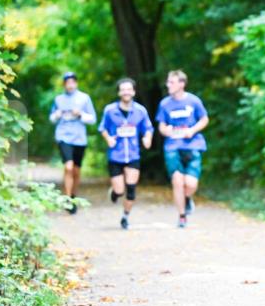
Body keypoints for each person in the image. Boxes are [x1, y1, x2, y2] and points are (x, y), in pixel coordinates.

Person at [155, 70, 208, 228]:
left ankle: (187, 198)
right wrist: (167, 131)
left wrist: (192, 130)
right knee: (177, 181)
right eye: (168, 82)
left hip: (193, 145)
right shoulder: (164, 104)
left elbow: (204, 119)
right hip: (172, 146)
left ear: (181, 84)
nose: (168, 85)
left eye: (171, 82)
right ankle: (182, 215)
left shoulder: (194, 101)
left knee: (190, 184)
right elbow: (161, 126)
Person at [99, 78, 154, 230]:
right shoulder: (110, 110)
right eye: (123, 89)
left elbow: (148, 128)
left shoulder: (140, 111)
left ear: (134, 92)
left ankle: (125, 216)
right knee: (120, 190)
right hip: (116, 155)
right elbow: (102, 128)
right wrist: (108, 138)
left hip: (133, 155)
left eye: (129, 89)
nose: (126, 92)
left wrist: (147, 138)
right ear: (119, 92)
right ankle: (115, 193)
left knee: (131, 188)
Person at [49, 72, 97, 213]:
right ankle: (68, 199)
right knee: (68, 167)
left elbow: (93, 119)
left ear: (76, 83)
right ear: (64, 84)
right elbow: (51, 118)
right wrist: (56, 115)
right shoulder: (58, 99)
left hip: (79, 138)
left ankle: (73, 195)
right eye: (67, 82)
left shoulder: (84, 98)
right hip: (63, 136)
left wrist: (81, 114)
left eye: (72, 82)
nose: (70, 85)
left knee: (76, 170)